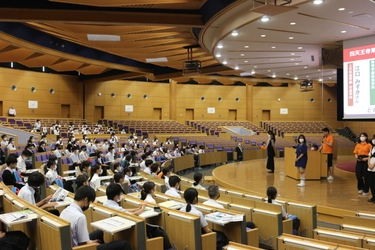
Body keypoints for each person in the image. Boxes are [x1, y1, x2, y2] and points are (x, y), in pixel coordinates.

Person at [59, 186, 132, 249]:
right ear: (86, 200)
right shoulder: (80, 217)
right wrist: (93, 244)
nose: (89, 205)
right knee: (124, 244)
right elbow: (83, 245)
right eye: (90, 203)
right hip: (79, 247)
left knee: (99, 232)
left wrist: (90, 242)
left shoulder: (65, 210)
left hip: (71, 244)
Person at [367, 134, 375, 203]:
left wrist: (373, 165)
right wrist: (369, 164)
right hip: (370, 168)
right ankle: (373, 196)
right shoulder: (372, 148)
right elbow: (369, 156)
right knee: (371, 183)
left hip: (374, 167)